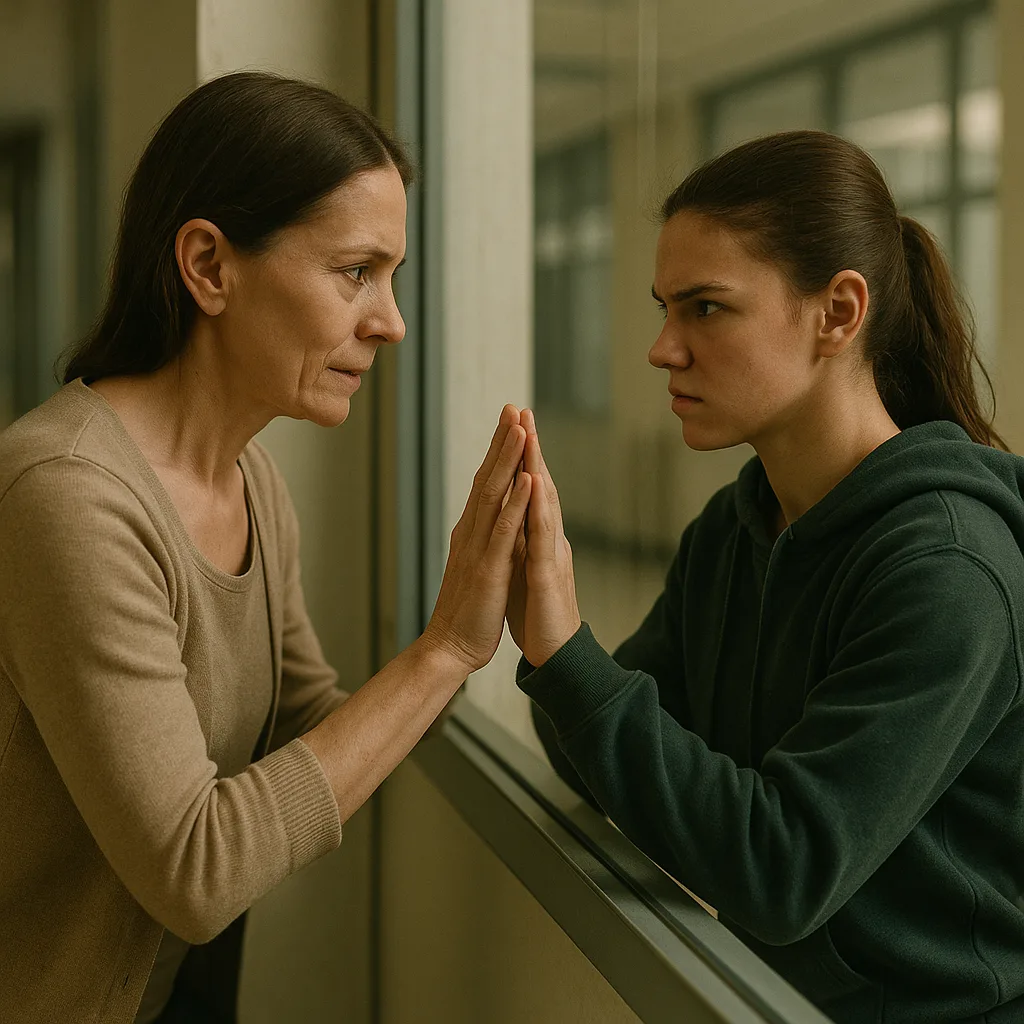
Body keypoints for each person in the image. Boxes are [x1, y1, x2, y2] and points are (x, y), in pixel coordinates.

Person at [0, 72, 533, 1023]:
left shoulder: (252, 481)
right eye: (356, 271)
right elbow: (196, 873)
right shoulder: (67, 495)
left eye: (394, 277)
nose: (392, 321)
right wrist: (445, 648)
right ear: (208, 265)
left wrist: (561, 691)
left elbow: (304, 721)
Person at [510, 130, 1024, 1023]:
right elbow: (594, 752)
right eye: (665, 308)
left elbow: (782, 871)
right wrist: (566, 663)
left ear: (838, 312)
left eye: (705, 309)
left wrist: (566, 655)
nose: (662, 348)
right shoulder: (736, 526)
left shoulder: (947, 569)